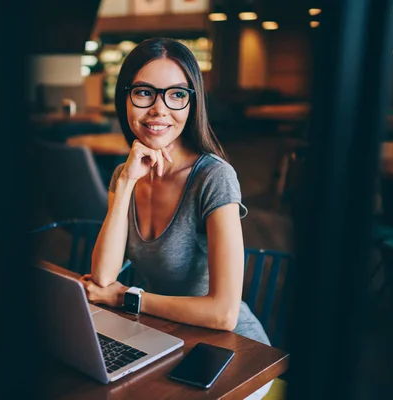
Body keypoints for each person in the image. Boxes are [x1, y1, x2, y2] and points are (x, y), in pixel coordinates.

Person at [79, 38, 273, 399]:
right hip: (168, 336)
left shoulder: (213, 177)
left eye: (176, 95)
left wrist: (128, 298)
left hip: (232, 354)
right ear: (125, 98)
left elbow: (224, 313)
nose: (159, 109)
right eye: (144, 93)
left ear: (192, 102)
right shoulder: (127, 173)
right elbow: (104, 276)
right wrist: (124, 184)